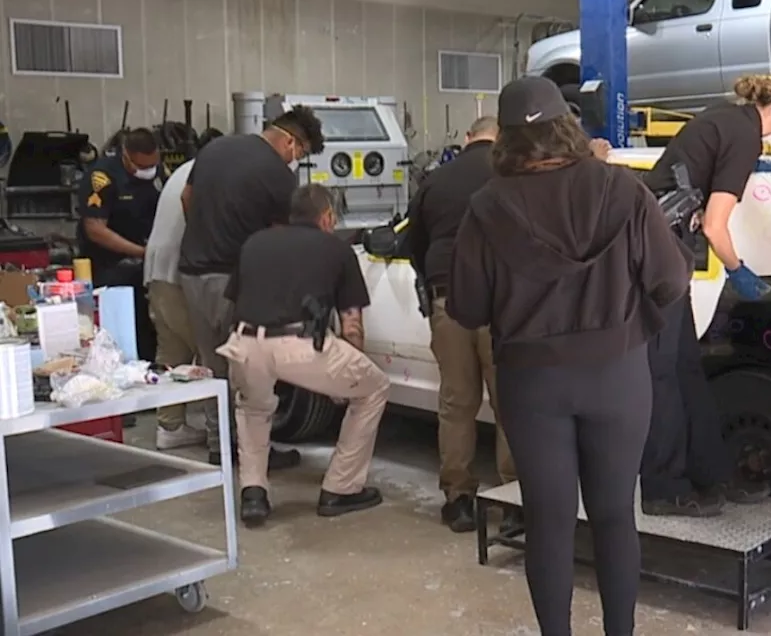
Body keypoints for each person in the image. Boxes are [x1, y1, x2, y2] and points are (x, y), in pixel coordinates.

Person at [447, 76, 692, 636]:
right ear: (568, 126)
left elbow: (466, 306)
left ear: (504, 139)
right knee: (613, 516)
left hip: (533, 384)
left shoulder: (486, 207)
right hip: (617, 375)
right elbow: (670, 280)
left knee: (550, 523)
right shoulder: (622, 190)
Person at [638, 69, 771, 516]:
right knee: (665, 374)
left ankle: (712, 474)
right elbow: (716, 225)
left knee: (686, 368)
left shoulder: (727, 120)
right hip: (654, 254)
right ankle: (663, 489)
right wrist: (740, 271)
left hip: (662, 248)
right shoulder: (744, 134)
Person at [217, 183, 389, 526]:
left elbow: (234, 303)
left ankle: (253, 493)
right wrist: (346, 381)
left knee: (252, 409)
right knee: (374, 388)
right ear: (327, 217)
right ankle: (341, 488)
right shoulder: (337, 249)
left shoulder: (255, 243)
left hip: (243, 342)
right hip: (299, 345)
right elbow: (352, 324)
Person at [178, 106, 325, 467]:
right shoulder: (278, 175)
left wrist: (206, 237)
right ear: (289, 140)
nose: (296, 161)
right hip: (233, 280)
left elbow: (186, 198)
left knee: (213, 366)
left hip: (192, 273)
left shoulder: (215, 149)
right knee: (249, 370)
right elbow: (279, 237)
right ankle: (253, 452)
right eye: (301, 153)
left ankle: (220, 447)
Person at [406, 116, 518, 534]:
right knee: (511, 404)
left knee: (456, 403)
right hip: (501, 305)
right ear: (500, 138)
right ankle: (514, 504)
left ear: (468, 138)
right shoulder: (512, 173)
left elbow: (413, 243)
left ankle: (459, 501)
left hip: (448, 300)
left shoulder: (436, 180)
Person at [77, 127, 166, 363]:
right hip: (111, 271)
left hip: (147, 269)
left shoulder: (158, 172)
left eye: (152, 165)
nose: (148, 171)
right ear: (126, 156)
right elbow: (95, 229)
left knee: (150, 335)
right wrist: (140, 252)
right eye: (142, 166)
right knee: (121, 337)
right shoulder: (102, 177)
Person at [143, 156, 206, 449]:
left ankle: (170, 426)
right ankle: (226, 434)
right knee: (211, 351)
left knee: (171, 349)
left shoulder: (187, 168)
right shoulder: (213, 170)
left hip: (157, 270)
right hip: (182, 274)